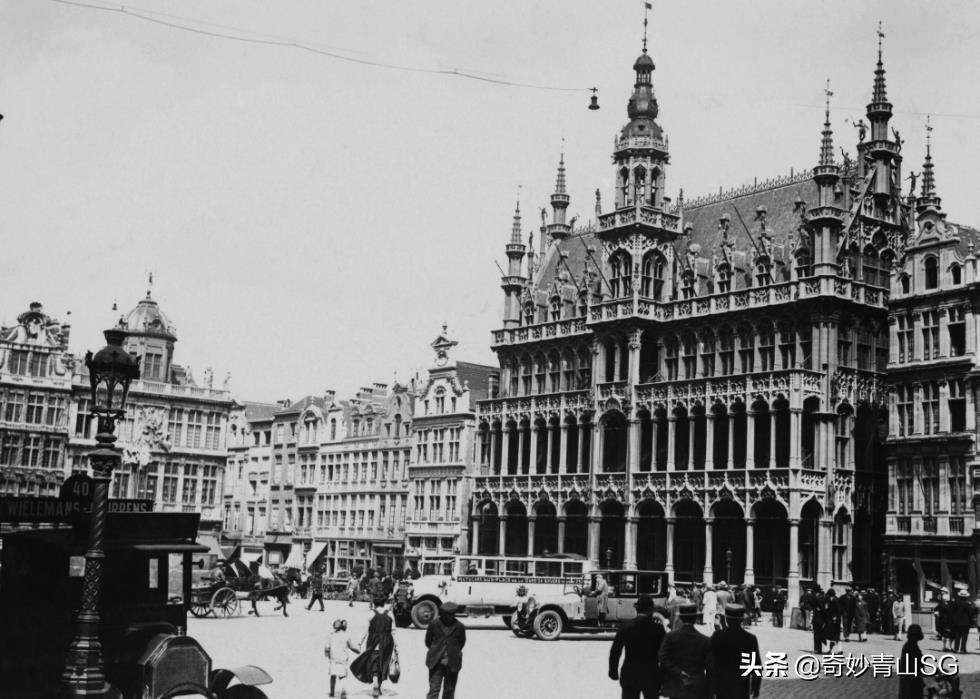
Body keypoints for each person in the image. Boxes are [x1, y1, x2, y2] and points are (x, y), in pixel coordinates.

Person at [609, 594, 666, 699]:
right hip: (651, 675)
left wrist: (613, 671)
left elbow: (615, 651)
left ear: (636, 609)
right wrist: (665, 677)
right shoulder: (658, 629)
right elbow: (664, 655)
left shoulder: (625, 627)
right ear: (651, 611)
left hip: (630, 674)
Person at [658, 603, 713, 699]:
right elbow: (710, 667)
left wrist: (678, 672)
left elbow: (662, 658)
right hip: (697, 687)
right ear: (696, 617)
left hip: (676, 686)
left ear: (680, 618)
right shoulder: (705, 640)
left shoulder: (670, 637)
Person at [711, 604, 762, 699]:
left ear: (726, 619)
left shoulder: (717, 636)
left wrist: (711, 685)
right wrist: (756, 686)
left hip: (722, 684)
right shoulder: (750, 638)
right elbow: (756, 665)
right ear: (741, 620)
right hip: (741, 685)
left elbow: (710, 662)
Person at [425, 601, 466, 699]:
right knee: (434, 690)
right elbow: (428, 641)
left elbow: (461, 642)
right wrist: (436, 650)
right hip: (436, 663)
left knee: (449, 691)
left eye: (451, 614)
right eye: (446, 614)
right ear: (442, 614)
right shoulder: (434, 624)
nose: (449, 617)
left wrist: (452, 651)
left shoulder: (460, 626)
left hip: (452, 664)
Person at [364, 598, 396, 698]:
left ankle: (375, 683)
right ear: (384, 603)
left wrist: (359, 643)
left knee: (374, 661)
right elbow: (393, 631)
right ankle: (379, 687)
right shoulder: (389, 614)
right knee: (384, 662)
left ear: (374, 604)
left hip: (374, 641)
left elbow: (365, 630)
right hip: (387, 641)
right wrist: (396, 646)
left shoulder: (371, 614)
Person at [325, 618, 360, 699]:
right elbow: (352, 647)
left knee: (333, 675)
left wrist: (328, 655)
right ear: (344, 627)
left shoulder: (331, 635)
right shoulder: (346, 636)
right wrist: (358, 650)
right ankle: (343, 691)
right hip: (343, 659)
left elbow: (327, 648)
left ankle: (332, 692)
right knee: (342, 676)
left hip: (333, 658)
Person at [897, 624, 925, 699]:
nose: (915, 638)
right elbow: (912, 665)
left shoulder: (912, 645)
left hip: (912, 679)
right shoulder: (910, 647)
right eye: (914, 636)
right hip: (911, 680)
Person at [823, 589, 842, 654]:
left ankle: (839, 650)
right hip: (829, 620)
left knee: (836, 636)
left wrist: (836, 617)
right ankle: (828, 649)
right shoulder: (829, 600)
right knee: (828, 635)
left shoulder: (836, 600)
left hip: (836, 621)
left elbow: (839, 611)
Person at [810, 587, 826, 653]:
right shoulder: (822, 598)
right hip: (821, 619)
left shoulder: (814, 598)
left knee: (816, 635)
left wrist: (818, 609)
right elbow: (824, 609)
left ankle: (816, 649)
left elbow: (812, 606)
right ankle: (819, 649)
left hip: (816, 618)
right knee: (820, 634)